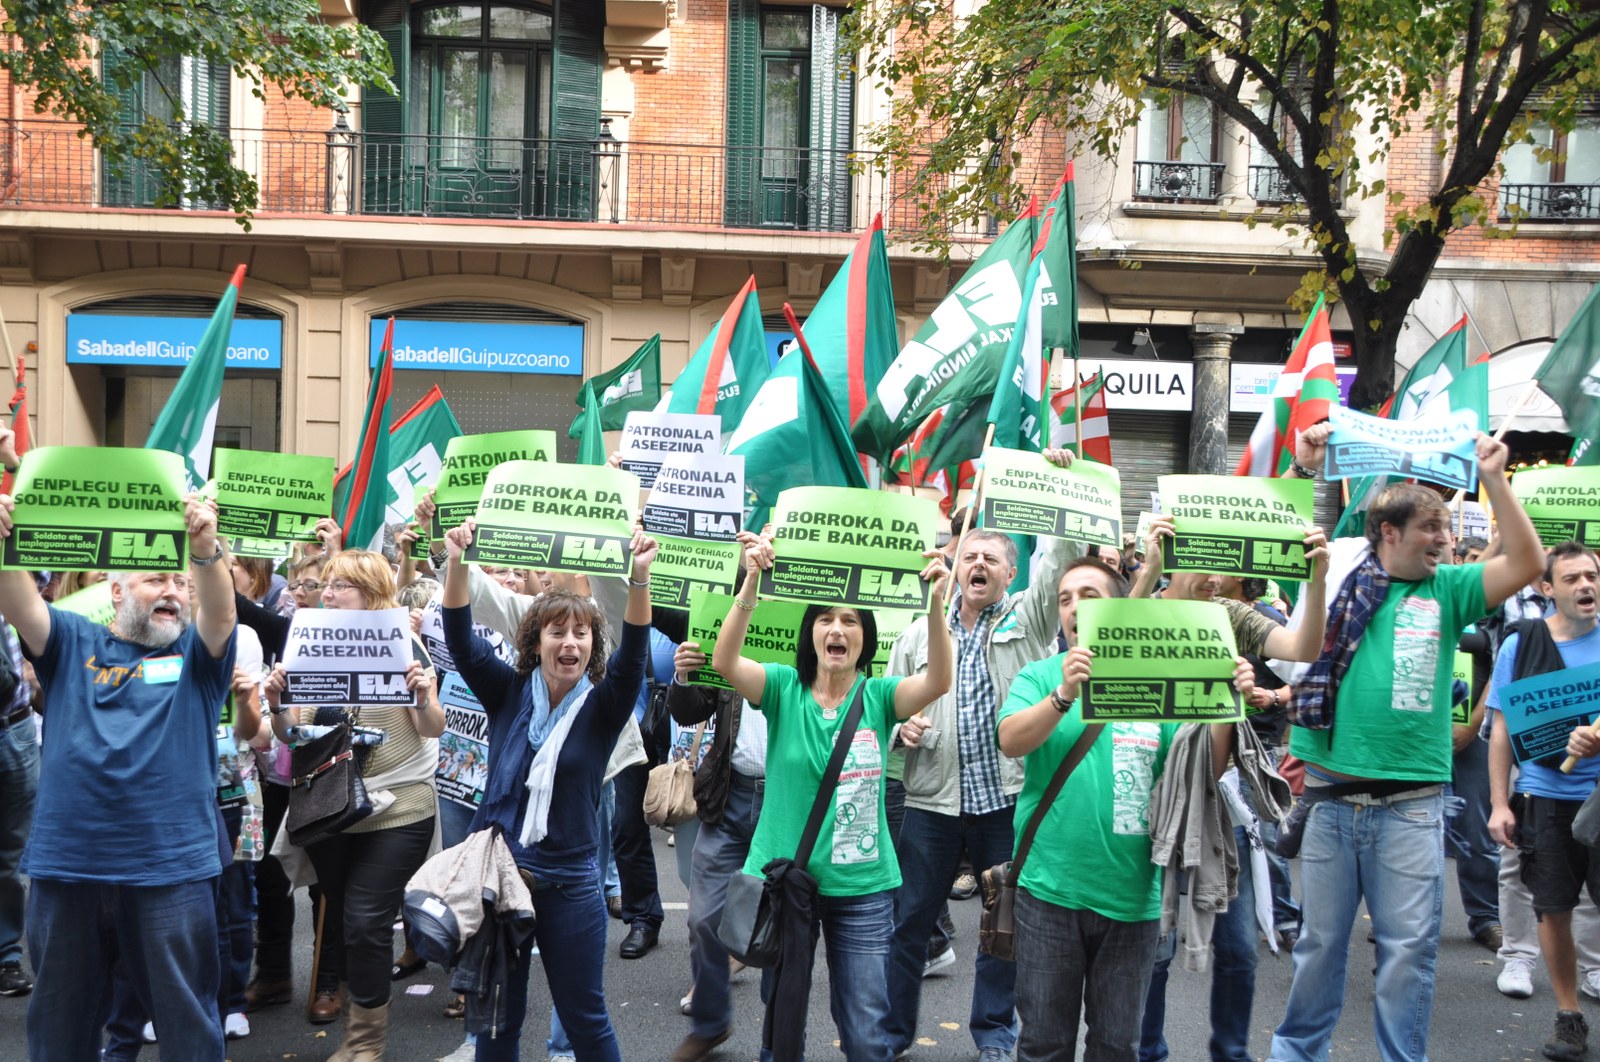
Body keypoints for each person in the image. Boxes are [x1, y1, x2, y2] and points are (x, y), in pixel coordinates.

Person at [1268, 426, 1545, 1062]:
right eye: (1433, 528)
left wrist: (1498, 478)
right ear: (1388, 532)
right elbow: (1277, 531)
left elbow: (1528, 563)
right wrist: (1304, 464)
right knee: (1318, 949)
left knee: (1406, 956)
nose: (1447, 540)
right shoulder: (1333, 577)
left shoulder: (1448, 589)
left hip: (1413, 806)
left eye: (1448, 528)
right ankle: (1295, 1053)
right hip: (1333, 802)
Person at [0, 490, 238, 1061]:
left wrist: (204, 553)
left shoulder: (197, 659)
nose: (173, 592)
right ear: (115, 593)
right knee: (60, 1027)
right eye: (157, 579)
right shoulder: (72, 641)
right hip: (69, 868)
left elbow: (222, 612)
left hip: (169, 870)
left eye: (180, 584)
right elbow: (17, 602)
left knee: (187, 1025)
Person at [711, 528, 953, 1062]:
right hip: (783, 883)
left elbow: (937, 679)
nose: (837, 628)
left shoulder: (882, 696)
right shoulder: (780, 687)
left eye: (849, 620)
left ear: (865, 638)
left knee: (867, 1033)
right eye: (825, 618)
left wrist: (937, 600)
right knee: (782, 1028)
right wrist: (752, 578)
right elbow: (725, 661)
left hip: (862, 889)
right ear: (811, 633)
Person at [997, 558, 1250, 1062]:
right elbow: (1010, 741)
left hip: (1134, 899)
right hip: (1050, 892)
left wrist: (1227, 701)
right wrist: (1064, 694)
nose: (1073, 607)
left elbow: (1205, 769)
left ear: (1117, 608)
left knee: (1117, 1047)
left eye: (1088, 595)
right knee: (1043, 1043)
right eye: (1065, 598)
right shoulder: (1040, 674)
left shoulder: (1159, 678)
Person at [883, 447, 1082, 1062]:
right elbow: (887, 706)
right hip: (932, 799)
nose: (978, 564)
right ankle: (890, 1035)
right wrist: (902, 730)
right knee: (909, 922)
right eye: (968, 555)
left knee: (1003, 929)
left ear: (1009, 573)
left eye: (991, 559)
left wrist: (1057, 483)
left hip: (1005, 798)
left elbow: (1061, 562)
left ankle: (994, 1034)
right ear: (951, 564)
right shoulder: (920, 631)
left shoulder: (1030, 615)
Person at [439, 517, 658, 1062]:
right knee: (496, 1023)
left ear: (590, 646)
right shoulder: (506, 691)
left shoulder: (606, 706)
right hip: (500, 881)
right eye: (556, 632)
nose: (569, 642)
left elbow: (633, 653)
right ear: (535, 643)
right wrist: (457, 560)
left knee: (586, 1021)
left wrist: (639, 579)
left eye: (580, 633)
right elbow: (460, 638)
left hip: (572, 885)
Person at [264, 548, 444, 1060]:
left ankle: (364, 1043)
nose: (328, 592)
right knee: (345, 916)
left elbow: (432, 728)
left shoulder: (405, 646)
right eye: (327, 584)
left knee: (367, 918)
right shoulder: (308, 645)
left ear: (371, 594)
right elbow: (289, 733)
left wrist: (425, 697)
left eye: (341, 584)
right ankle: (355, 1020)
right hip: (332, 805)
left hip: (398, 805)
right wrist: (278, 704)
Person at [1488, 542, 1600, 1060]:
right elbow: (1502, 728)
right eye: (1573, 578)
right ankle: (1569, 1016)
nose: (1586, 586)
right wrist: (1499, 803)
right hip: (1547, 797)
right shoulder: (1522, 643)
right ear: (1546, 588)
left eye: (1593, 576)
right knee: (1553, 907)